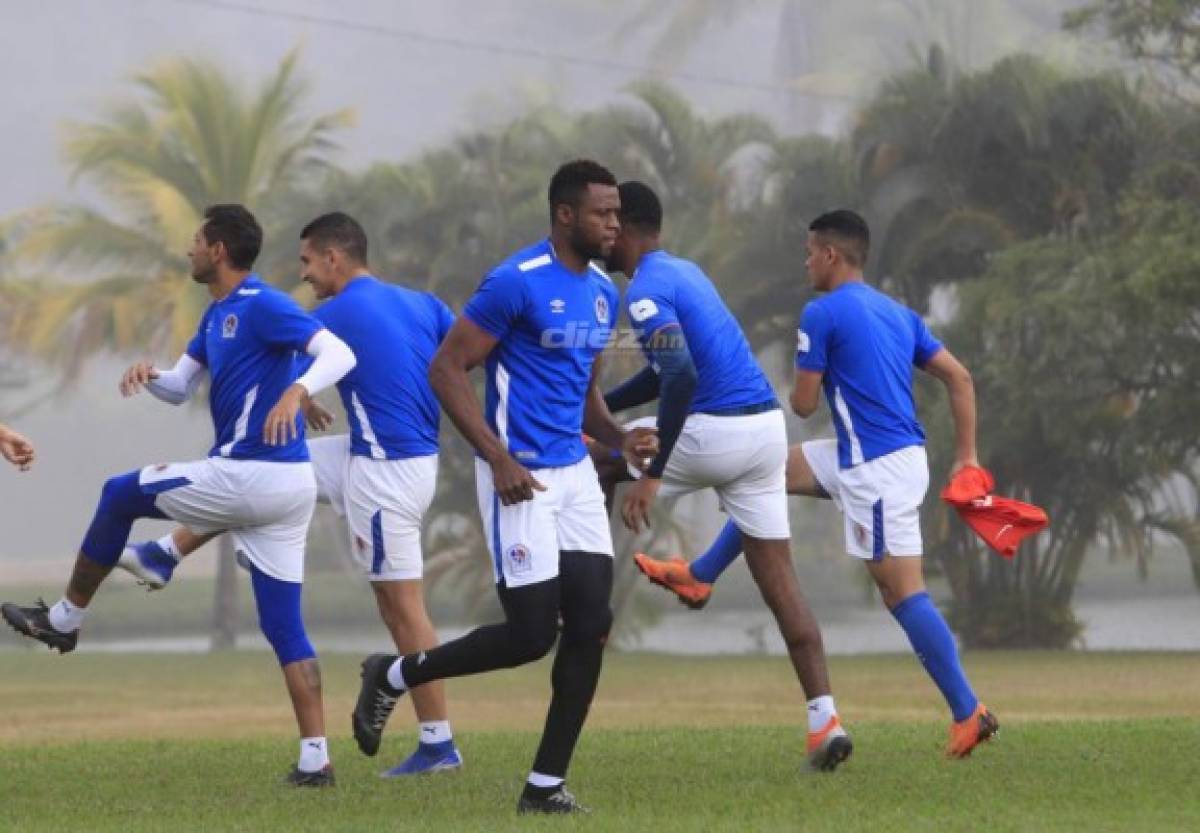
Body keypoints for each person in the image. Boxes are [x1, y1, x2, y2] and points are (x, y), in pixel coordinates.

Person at [0, 204, 356, 785]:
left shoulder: (263, 304)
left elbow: (339, 353)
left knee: (118, 494)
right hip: (286, 488)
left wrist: (296, 390)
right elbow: (181, 386)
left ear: (217, 250)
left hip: (253, 474)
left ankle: (65, 618)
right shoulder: (216, 316)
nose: (188, 250)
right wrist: (151, 377)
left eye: (195, 241)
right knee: (286, 629)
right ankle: (315, 759)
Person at [635, 209, 999, 759]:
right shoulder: (898, 313)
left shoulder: (822, 312)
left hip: (876, 472)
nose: (805, 261)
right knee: (765, 472)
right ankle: (699, 576)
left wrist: (818, 364)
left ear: (831, 255)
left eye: (809, 252)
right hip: (881, 457)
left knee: (902, 594)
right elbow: (961, 378)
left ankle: (968, 712)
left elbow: (803, 405)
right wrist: (966, 456)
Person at [351, 159, 655, 815]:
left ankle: (544, 785)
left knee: (592, 622)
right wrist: (499, 458)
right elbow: (447, 368)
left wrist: (618, 437)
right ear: (566, 214)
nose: (615, 223)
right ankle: (395, 672)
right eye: (603, 212)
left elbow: (586, 395)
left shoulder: (603, 290)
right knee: (529, 634)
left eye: (617, 213)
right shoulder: (514, 283)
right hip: (520, 478)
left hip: (574, 476)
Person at [115, 212, 464, 777]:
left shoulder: (331, 313)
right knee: (262, 476)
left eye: (307, 262)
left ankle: (438, 744)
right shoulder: (422, 303)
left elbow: (275, 362)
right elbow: (459, 357)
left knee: (400, 606)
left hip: (385, 470)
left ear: (334, 258)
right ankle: (166, 553)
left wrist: (297, 393)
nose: (304, 275)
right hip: (383, 453)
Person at [598, 180, 851, 771]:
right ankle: (825, 721)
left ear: (629, 229)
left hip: (712, 432)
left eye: (610, 223)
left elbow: (680, 375)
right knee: (780, 583)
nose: (603, 235)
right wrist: (605, 406)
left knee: (583, 455)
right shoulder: (685, 272)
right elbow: (671, 371)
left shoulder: (644, 293)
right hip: (765, 433)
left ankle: (573, 600)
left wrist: (653, 473)